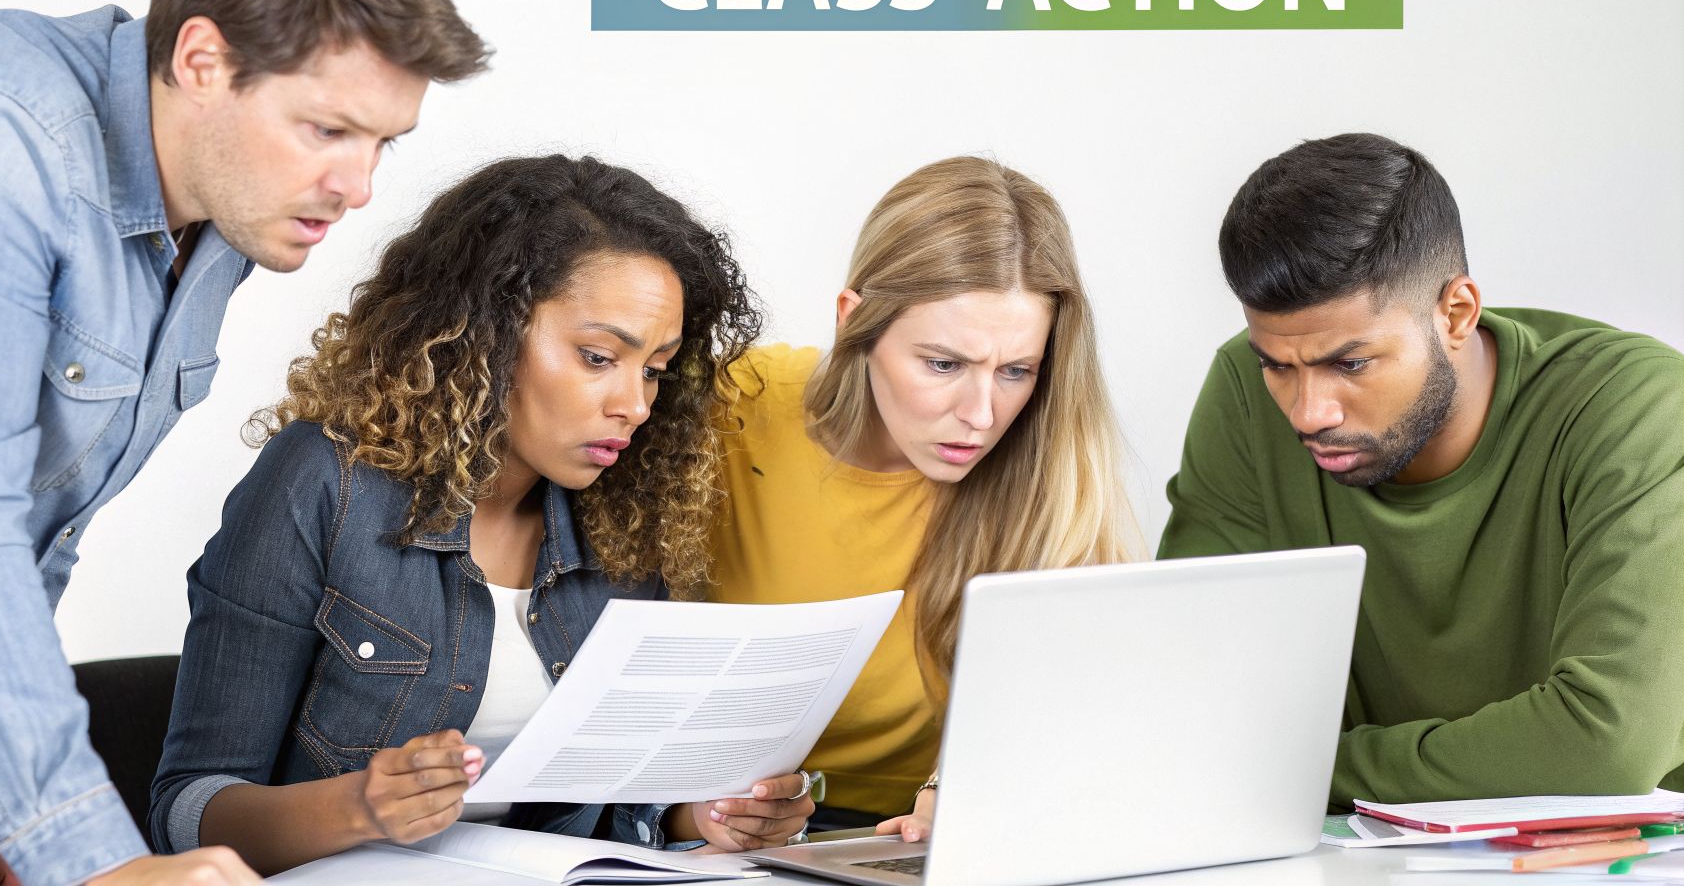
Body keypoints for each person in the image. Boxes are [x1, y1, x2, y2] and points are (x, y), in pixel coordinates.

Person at [0, 0, 486, 884]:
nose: (359, 186)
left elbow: (38, 523)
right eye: (328, 130)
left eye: (383, 142)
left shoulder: (218, 211)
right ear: (202, 59)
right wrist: (86, 849)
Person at [149, 155, 814, 875]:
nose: (636, 404)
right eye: (597, 357)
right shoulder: (322, 482)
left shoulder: (630, 516)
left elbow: (615, 805)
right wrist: (359, 808)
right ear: (485, 332)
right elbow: (186, 811)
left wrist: (708, 814)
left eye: (653, 368)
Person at [1160, 132, 1684, 807]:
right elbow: (1192, 711)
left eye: (1351, 364)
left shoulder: (1635, 406)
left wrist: (1306, 771)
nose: (1308, 411)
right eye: (1277, 366)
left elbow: (1608, 743)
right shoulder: (1240, 388)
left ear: (1456, 313)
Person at [707, 156, 1142, 839]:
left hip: (908, 838)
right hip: (709, 833)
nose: (981, 413)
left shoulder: (1048, 466)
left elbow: (1085, 704)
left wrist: (974, 783)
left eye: (1016, 370)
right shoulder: (731, 409)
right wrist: (693, 811)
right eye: (944, 364)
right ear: (857, 321)